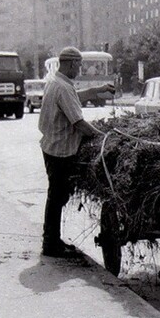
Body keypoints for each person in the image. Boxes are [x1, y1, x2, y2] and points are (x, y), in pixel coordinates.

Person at [38, 47, 115, 258]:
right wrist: (103, 137)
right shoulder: (62, 88)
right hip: (61, 151)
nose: (80, 69)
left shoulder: (56, 82)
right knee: (57, 197)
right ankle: (50, 244)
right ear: (71, 63)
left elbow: (73, 97)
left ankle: (51, 240)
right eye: (79, 65)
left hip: (51, 146)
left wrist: (97, 89)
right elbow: (79, 123)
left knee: (56, 196)